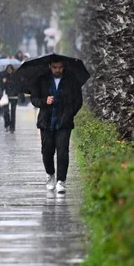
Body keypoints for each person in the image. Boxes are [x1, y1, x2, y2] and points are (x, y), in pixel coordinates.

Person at [29, 58, 83, 193]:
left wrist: (70, 112)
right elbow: (34, 99)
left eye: (60, 67)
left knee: (63, 151)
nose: (58, 70)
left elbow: (78, 100)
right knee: (47, 151)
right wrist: (44, 101)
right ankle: (50, 174)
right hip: (46, 121)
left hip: (64, 121)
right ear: (49, 66)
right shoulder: (41, 79)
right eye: (55, 67)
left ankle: (61, 181)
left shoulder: (71, 79)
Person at [0, 65, 19, 133]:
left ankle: (12, 127)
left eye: (10, 69)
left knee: (13, 113)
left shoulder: (16, 76)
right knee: (6, 112)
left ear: (12, 69)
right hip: (6, 97)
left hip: (14, 96)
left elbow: (18, 86)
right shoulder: (4, 76)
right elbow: (2, 87)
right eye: (8, 69)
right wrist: (3, 82)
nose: (9, 70)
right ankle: (6, 125)